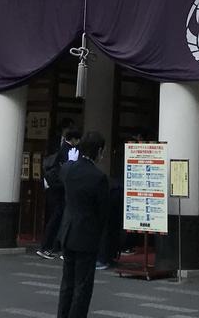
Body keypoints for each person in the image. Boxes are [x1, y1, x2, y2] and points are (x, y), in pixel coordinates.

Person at [56, 130, 109, 318]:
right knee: (83, 286)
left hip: (68, 232)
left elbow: (59, 175)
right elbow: (102, 211)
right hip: (87, 236)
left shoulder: (69, 169)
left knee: (67, 283)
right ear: (99, 151)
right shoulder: (98, 177)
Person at [38, 124, 81, 259]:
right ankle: (47, 246)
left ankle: (52, 246)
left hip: (53, 186)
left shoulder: (60, 148)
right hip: (59, 189)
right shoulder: (70, 151)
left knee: (57, 217)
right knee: (57, 217)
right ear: (74, 139)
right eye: (78, 139)